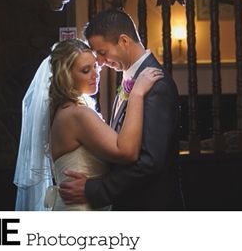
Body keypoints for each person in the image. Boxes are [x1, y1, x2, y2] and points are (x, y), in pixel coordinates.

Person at [14, 39, 161, 210]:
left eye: (95, 67)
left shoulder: (65, 110)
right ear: (66, 76)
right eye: (85, 70)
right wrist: (136, 94)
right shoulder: (77, 114)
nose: (95, 75)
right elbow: (126, 151)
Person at [59, 9, 183, 210]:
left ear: (124, 41)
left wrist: (96, 189)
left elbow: (149, 162)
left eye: (102, 52)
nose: (99, 62)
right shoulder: (132, 79)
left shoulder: (155, 84)